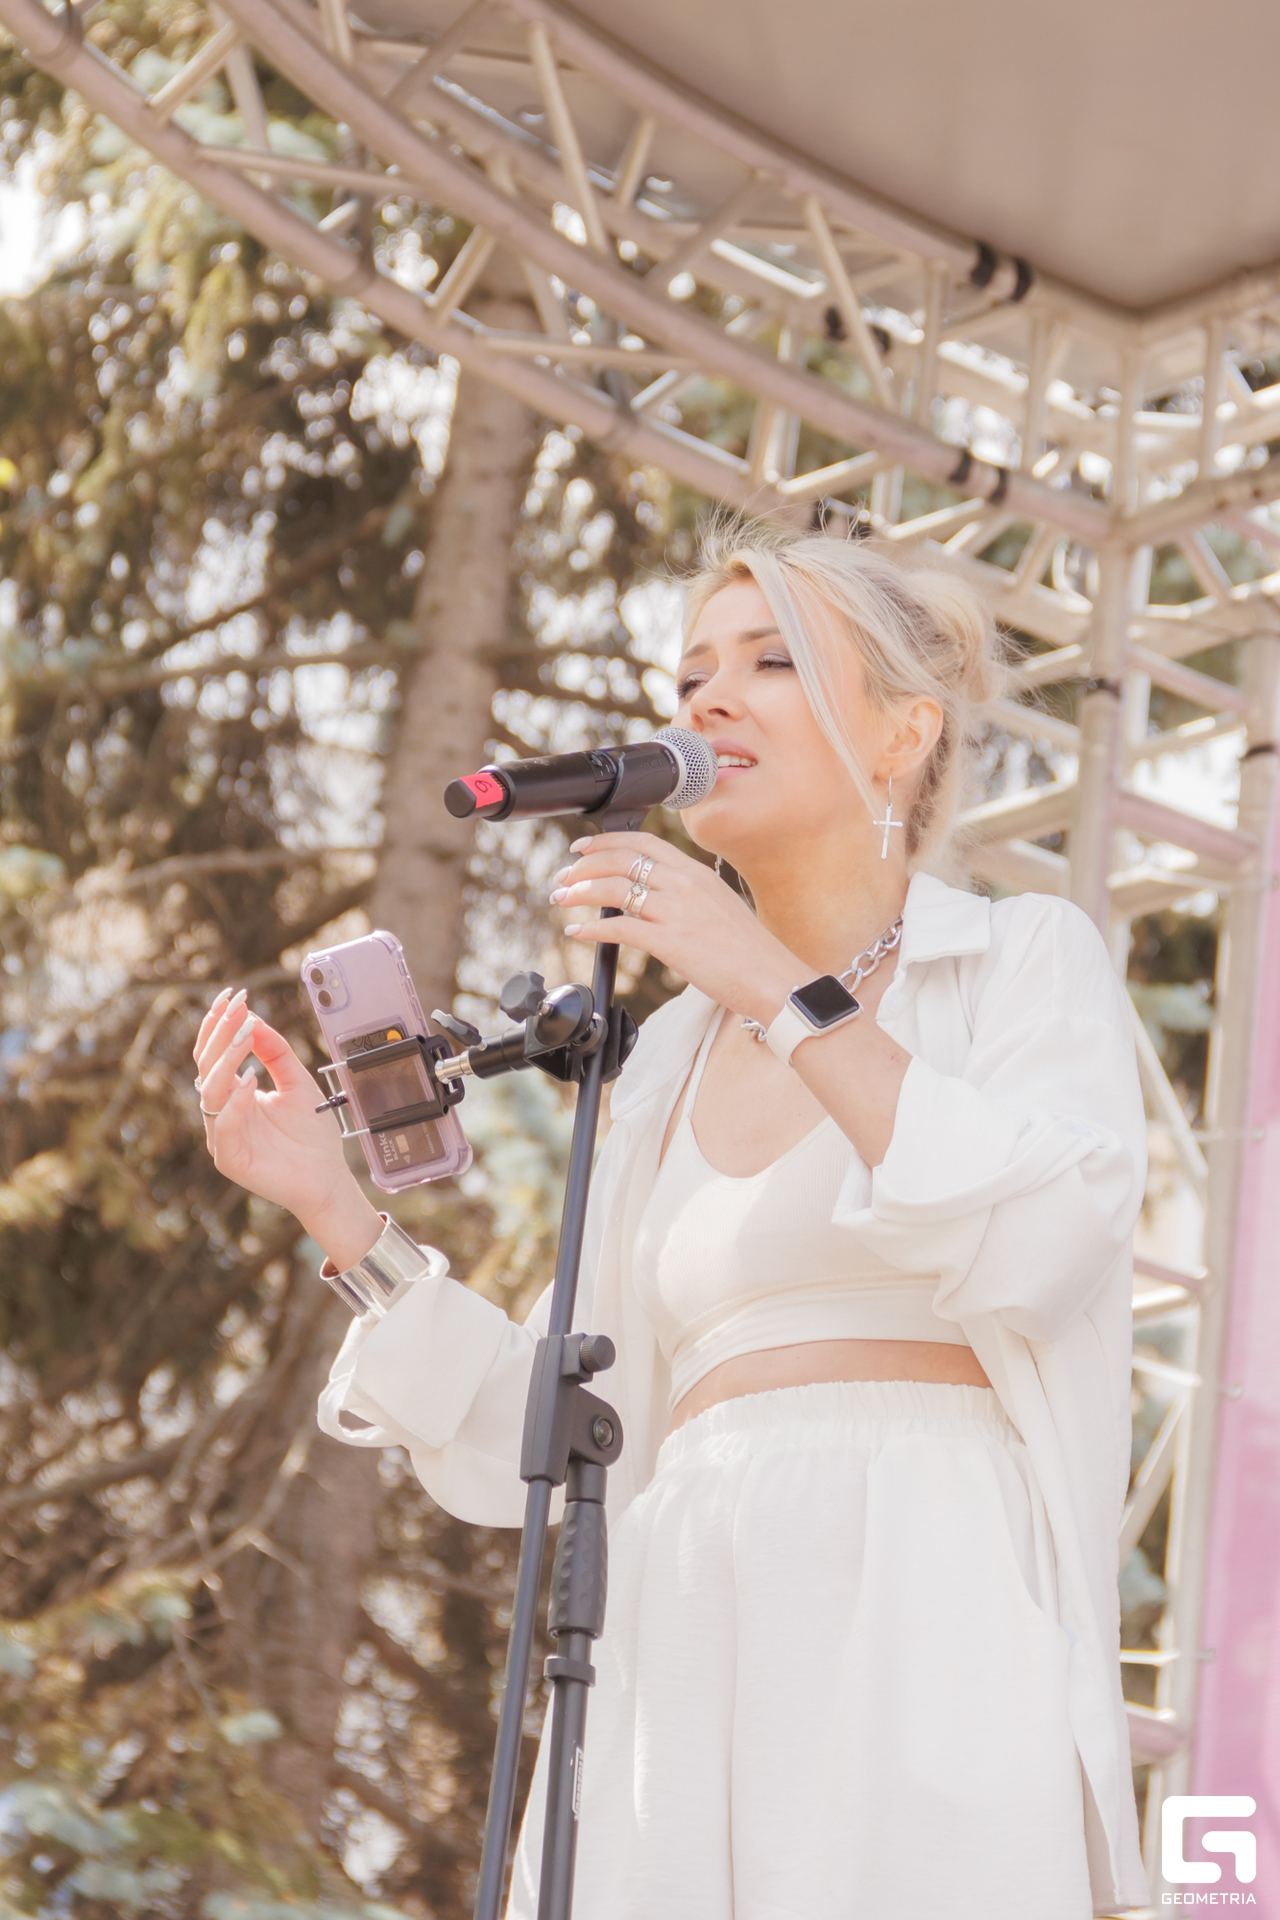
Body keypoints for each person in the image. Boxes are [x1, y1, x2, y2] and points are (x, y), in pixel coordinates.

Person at [193, 522, 1151, 1919]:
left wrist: (768, 978)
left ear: (904, 734)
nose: (707, 701)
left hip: (925, 1576)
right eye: (691, 673)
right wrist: (333, 1207)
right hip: (681, 1609)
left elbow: (1047, 1237)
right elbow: (536, 1423)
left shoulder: (1017, 961)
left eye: (770, 662)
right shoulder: (662, 1066)